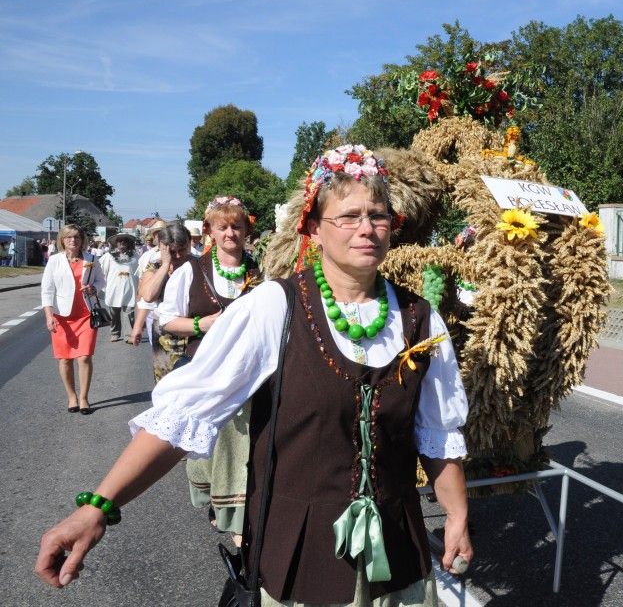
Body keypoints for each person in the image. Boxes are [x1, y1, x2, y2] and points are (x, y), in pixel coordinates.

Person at [36, 145, 473, 605]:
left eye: (379, 215)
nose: (367, 228)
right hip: (300, 554)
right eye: (348, 216)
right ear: (313, 230)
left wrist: (457, 515)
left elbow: (437, 434)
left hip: (397, 552)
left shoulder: (419, 318)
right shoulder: (274, 307)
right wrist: (98, 508)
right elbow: (182, 419)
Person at [155, 196, 262, 540]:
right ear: (210, 232)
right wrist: (204, 324)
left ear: (247, 230)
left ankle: (244, 509)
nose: (231, 233)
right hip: (208, 369)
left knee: (247, 440)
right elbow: (167, 319)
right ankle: (223, 503)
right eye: (223, 227)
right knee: (217, 441)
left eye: (237, 226)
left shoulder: (261, 269)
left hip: (253, 370)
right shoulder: (192, 270)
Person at [40, 224, 106, 415]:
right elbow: (47, 290)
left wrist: (94, 289)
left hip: (87, 314)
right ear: (62, 240)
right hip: (62, 316)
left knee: (84, 357)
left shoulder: (91, 259)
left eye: (76, 237)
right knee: (65, 359)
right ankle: (71, 396)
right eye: (68, 237)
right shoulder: (54, 261)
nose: (73, 240)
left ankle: (84, 397)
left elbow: (101, 281)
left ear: (82, 240)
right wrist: (49, 316)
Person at [129, 222, 191, 379]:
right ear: (163, 247)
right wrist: (165, 265)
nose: (177, 256)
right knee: (165, 384)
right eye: (172, 251)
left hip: (193, 334)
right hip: (165, 338)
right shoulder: (155, 266)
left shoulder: (198, 265)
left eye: (182, 250)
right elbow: (148, 296)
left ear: (189, 244)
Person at [130, 220, 167, 345]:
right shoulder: (148, 256)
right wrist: (139, 323)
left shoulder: (179, 253)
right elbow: (141, 289)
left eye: (162, 233)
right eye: (157, 233)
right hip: (153, 310)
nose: (159, 236)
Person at [99, 234, 139, 342]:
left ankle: (129, 335)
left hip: (129, 289)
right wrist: (102, 287)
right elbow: (101, 271)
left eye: (124, 241)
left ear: (128, 243)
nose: (122, 243)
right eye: (119, 241)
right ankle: (115, 333)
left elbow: (139, 272)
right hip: (113, 289)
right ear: (116, 243)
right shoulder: (108, 256)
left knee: (129, 312)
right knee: (114, 313)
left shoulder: (135, 257)